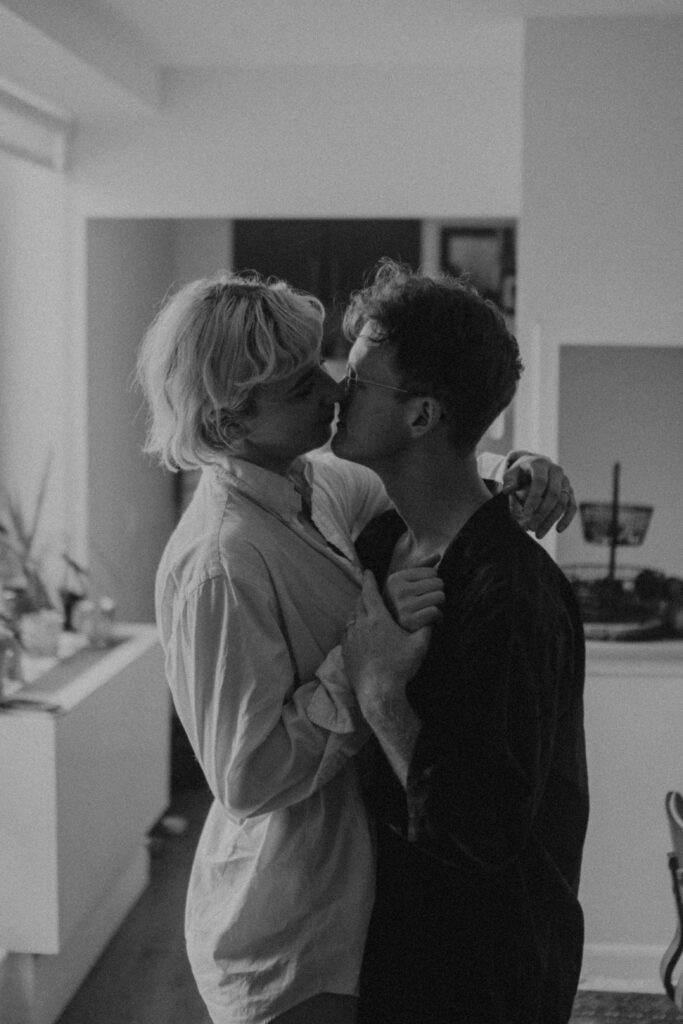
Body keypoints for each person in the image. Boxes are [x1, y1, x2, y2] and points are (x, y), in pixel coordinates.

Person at [135, 270, 576, 1024]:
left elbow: (436, 467)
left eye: (338, 371)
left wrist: (521, 468)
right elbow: (246, 780)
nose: (333, 389)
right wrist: (361, 666)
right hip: (292, 928)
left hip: (371, 912)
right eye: (302, 382)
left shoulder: (314, 486)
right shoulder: (219, 562)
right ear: (230, 418)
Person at [332, 261, 589, 1024]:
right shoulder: (380, 540)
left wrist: (380, 694)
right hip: (400, 944)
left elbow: (483, 829)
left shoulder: (515, 594)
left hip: (488, 976)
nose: (337, 392)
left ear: (420, 416)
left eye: (359, 381)